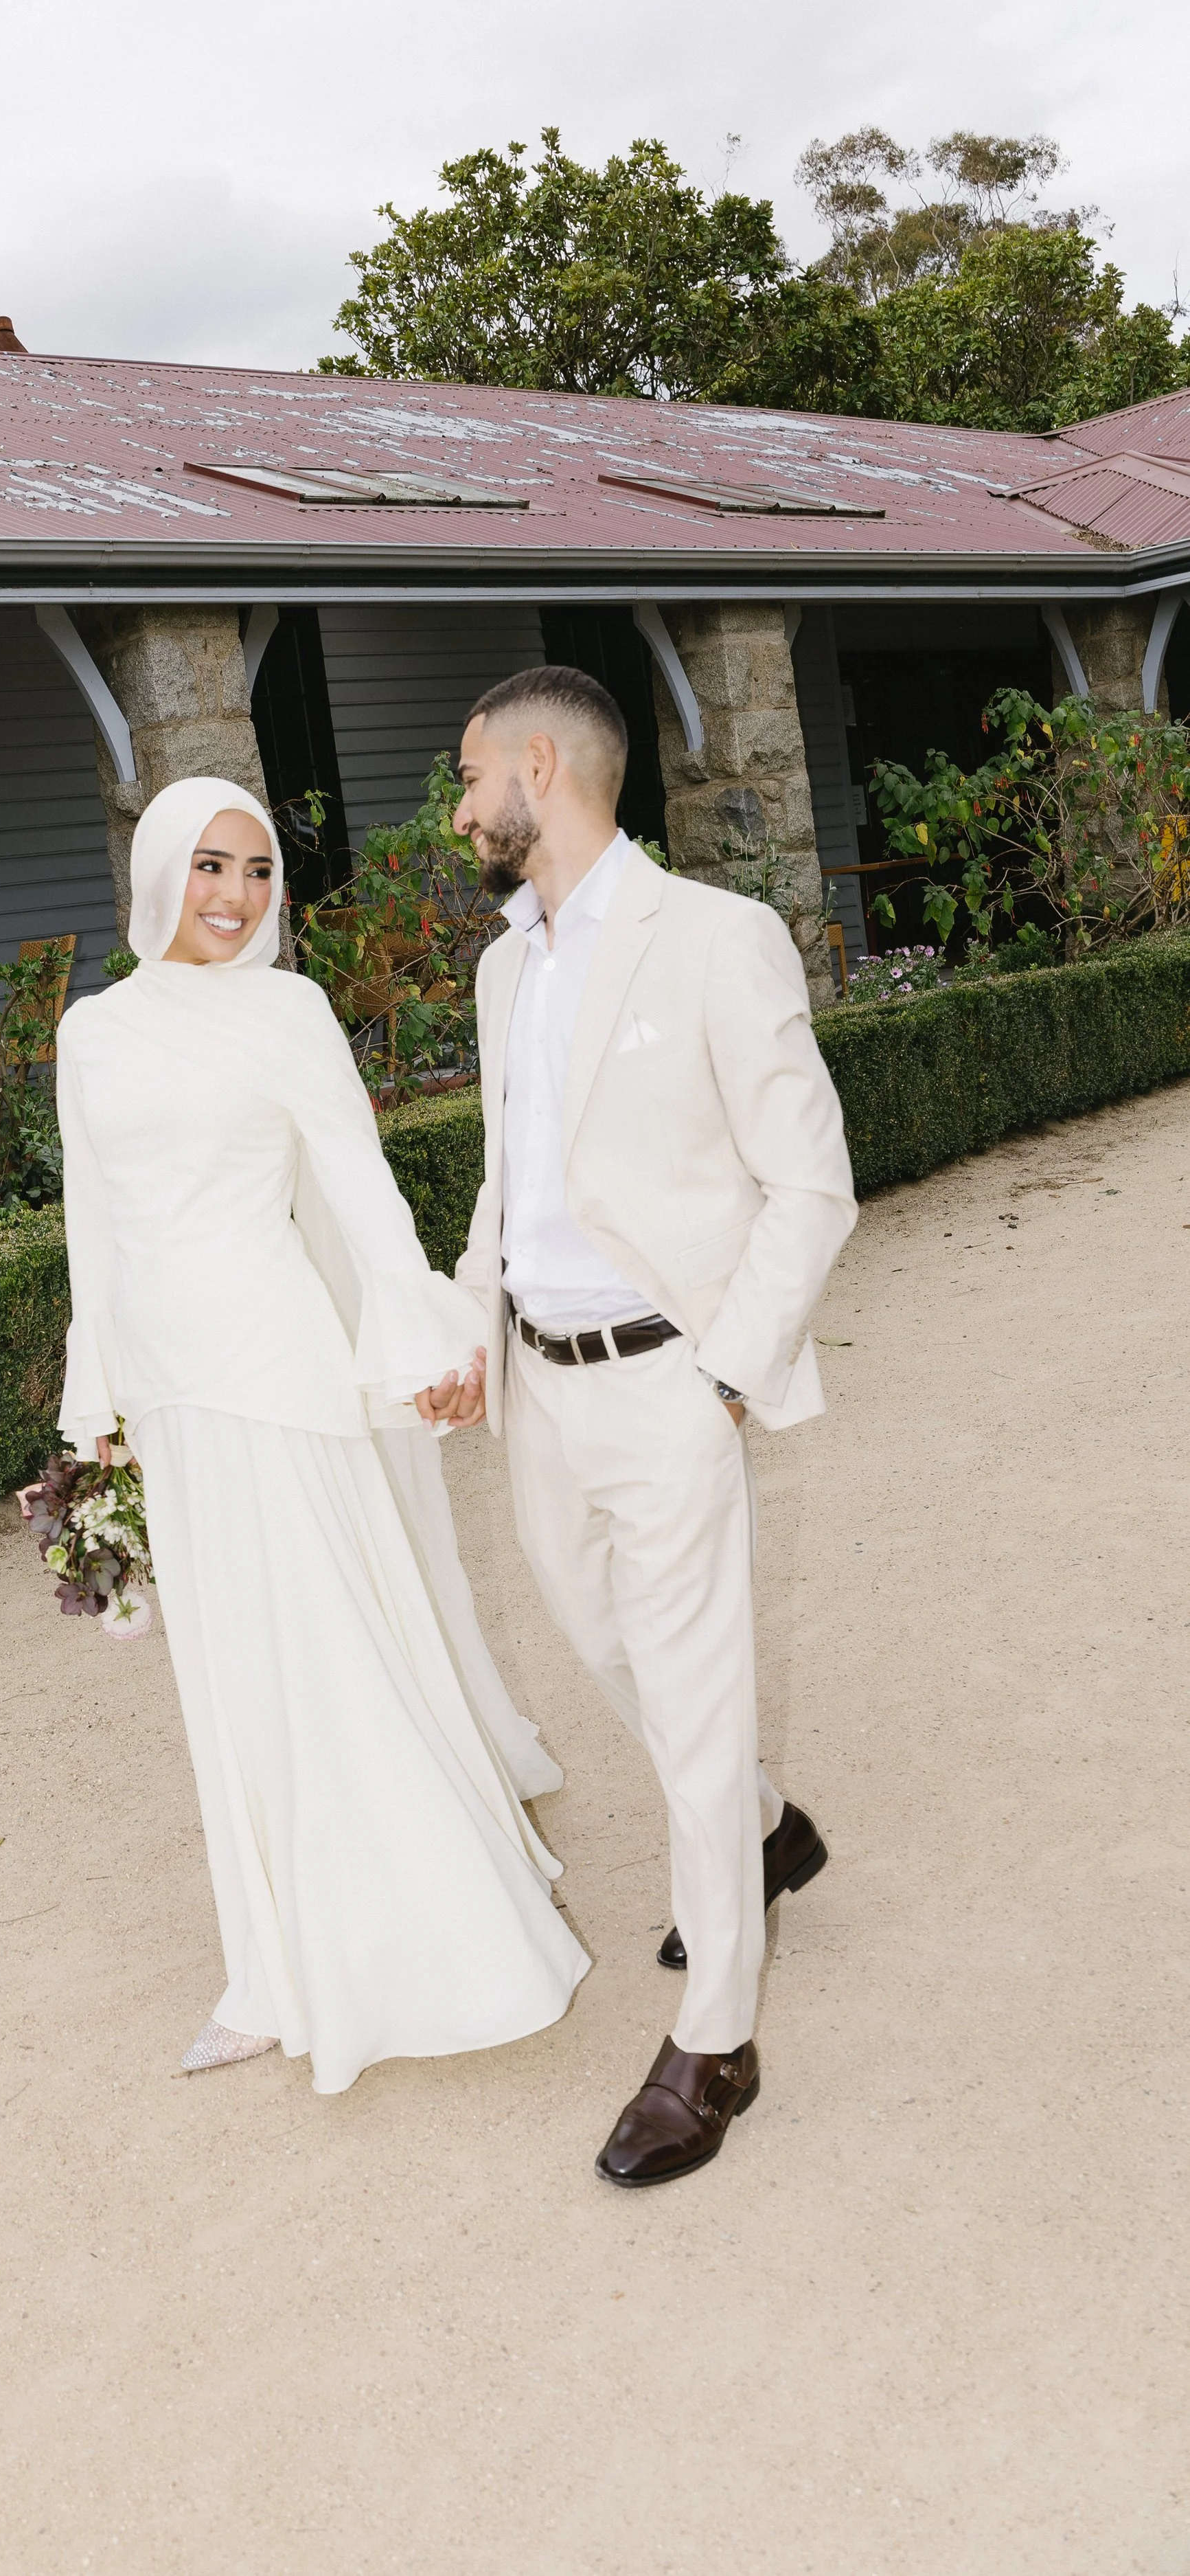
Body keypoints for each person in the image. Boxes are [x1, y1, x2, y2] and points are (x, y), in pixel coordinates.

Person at [44, 775, 589, 2097]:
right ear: (162, 873)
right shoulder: (95, 1033)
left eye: (257, 871)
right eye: (211, 868)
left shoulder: (289, 1013)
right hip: (169, 1396)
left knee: (328, 1647)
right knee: (228, 1683)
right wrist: (91, 1400)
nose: (235, 897)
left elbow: (362, 1187)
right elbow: (93, 1226)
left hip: (278, 1366)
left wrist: (428, 1342)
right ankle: (271, 1967)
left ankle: (425, 1937)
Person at [432, 666, 856, 2185]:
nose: (460, 806)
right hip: (539, 1387)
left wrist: (722, 1375)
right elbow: (506, 1177)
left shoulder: (715, 942)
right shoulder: (502, 971)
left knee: (683, 1688)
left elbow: (811, 1186)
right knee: (603, 1651)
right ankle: (760, 1827)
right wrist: (471, 1325)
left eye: (471, 776)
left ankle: (714, 2042)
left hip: (671, 1380)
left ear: (539, 768)